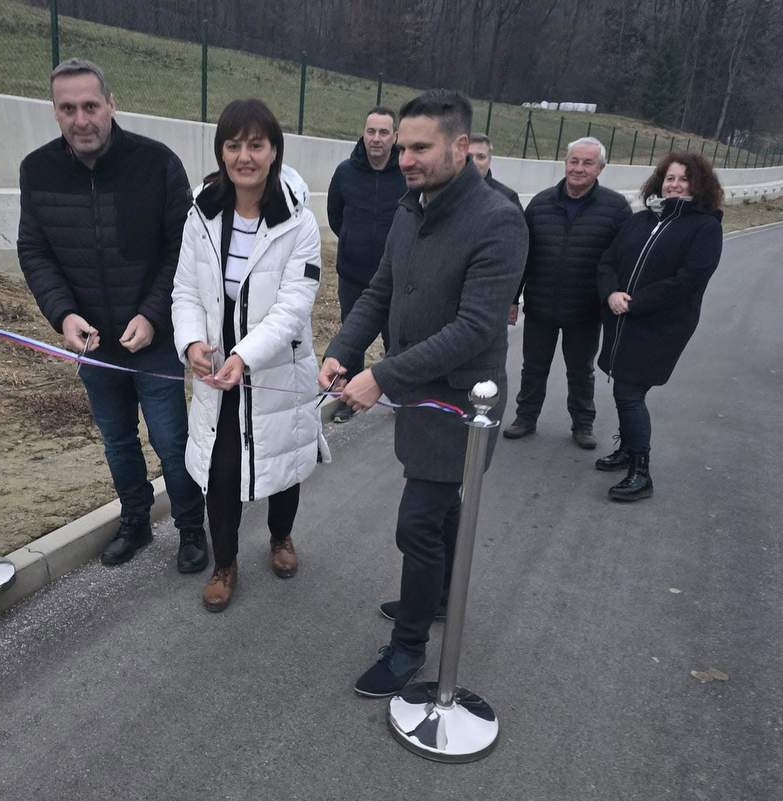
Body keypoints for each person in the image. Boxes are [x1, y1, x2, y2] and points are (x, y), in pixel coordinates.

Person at [320, 90, 526, 697]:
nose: (405, 159)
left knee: (418, 522)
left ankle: (409, 647)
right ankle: (435, 595)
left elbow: (474, 328)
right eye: (401, 146)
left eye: (419, 147)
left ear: (460, 147)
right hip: (416, 392)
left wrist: (382, 376)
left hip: (461, 403)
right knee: (442, 514)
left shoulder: (498, 221)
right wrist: (343, 348)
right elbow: (381, 288)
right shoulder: (411, 207)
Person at [17, 58, 208, 573]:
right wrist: (63, 316)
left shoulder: (157, 163)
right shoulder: (37, 171)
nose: (82, 120)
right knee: (117, 438)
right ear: (55, 113)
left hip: (155, 338)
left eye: (91, 106)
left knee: (171, 440)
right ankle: (136, 520)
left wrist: (152, 315)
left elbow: (181, 250)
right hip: (93, 343)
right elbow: (34, 252)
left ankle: (192, 526)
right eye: (68, 109)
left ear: (111, 104)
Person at [172, 98, 329, 612]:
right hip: (217, 372)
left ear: (274, 151)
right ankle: (225, 563)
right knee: (221, 469)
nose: (245, 156)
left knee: (281, 460)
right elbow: (185, 291)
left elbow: (293, 307)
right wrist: (192, 341)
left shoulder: (299, 223)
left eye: (256, 145)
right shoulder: (201, 214)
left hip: (274, 368)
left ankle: (281, 536)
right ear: (221, 152)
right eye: (234, 145)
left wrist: (245, 355)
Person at [596, 152, 725, 501]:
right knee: (624, 386)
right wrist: (610, 292)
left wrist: (635, 302)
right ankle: (627, 450)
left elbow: (689, 280)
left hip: (660, 324)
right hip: (621, 316)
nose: (675, 185)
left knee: (630, 391)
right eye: (670, 178)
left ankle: (641, 472)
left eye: (683, 179)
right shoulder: (640, 220)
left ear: (698, 185)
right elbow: (607, 260)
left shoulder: (705, 227)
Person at [503, 137, 632, 449]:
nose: (578, 168)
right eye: (574, 161)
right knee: (533, 366)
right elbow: (524, 255)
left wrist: (614, 296)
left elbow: (622, 261)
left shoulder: (616, 210)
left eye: (587, 163)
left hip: (585, 310)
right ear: (565, 163)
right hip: (540, 305)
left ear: (600, 168)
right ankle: (526, 417)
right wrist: (512, 298)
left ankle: (583, 424)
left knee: (581, 370)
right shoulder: (541, 204)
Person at [326, 107, 408, 423]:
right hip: (354, 276)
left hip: (396, 277)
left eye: (384, 132)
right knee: (353, 340)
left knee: (396, 339)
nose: (376, 138)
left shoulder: (405, 173)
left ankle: (397, 395)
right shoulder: (345, 172)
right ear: (364, 134)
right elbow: (336, 216)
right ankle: (350, 398)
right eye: (371, 131)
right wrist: (352, 240)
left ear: (395, 137)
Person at [467, 133, 522, 210]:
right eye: (468, 156)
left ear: (489, 160)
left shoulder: (508, 198)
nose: (474, 162)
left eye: (481, 157)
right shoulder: (447, 191)